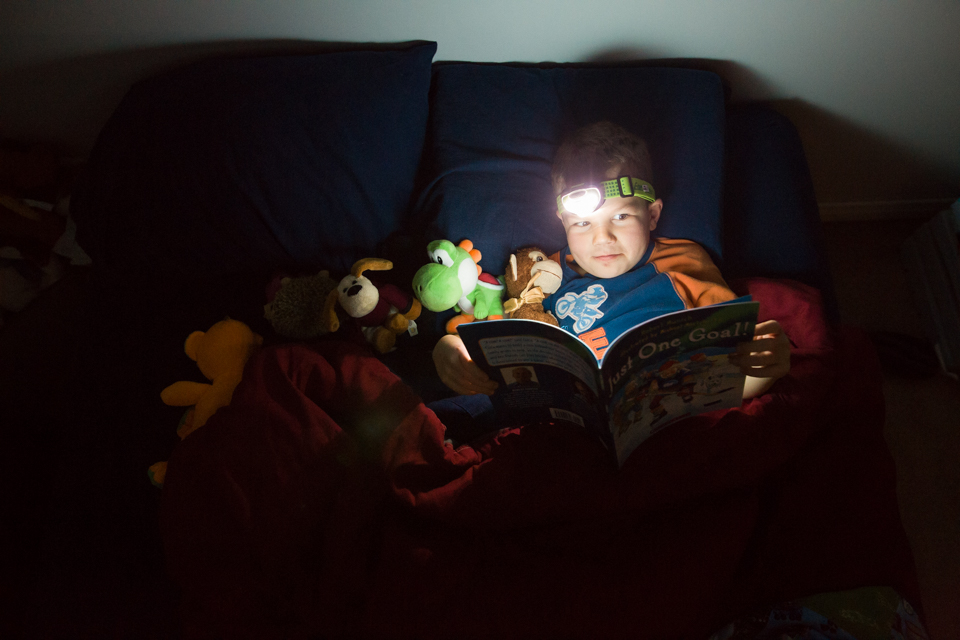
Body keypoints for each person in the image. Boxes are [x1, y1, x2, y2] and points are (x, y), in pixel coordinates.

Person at [432, 121, 790, 404]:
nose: (603, 239)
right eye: (583, 224)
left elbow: (737, 363)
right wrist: (448, 350)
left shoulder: (683, 261)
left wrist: (766, 366)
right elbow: (490, 336)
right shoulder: (543, 275)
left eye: (621, 217)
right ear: (563, 224)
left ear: (652, 215)